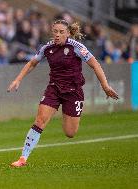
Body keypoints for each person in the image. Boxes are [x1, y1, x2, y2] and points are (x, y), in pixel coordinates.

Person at [7, 19, 119, 167]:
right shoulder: (47, 48)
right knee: (40, 120)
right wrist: (18, 79)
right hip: (54, 89)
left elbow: (95, 64)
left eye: (61, 32)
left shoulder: (76, 47)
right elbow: (32, 62)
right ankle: (23, 158)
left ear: (67, 33)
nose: (57, 35)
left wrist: (105, 86)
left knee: (70, 133)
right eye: (55, 32)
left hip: (73, 92)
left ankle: (68, 112)